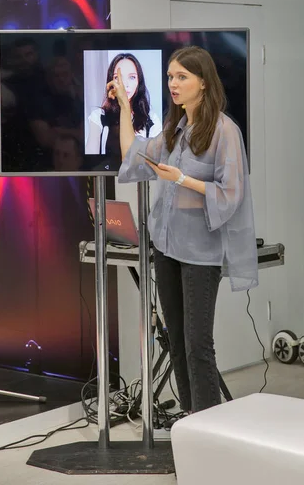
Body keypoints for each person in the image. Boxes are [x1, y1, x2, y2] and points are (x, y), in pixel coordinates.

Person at [113, 46, 258, 415]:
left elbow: (231, 193)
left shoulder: (226, 131)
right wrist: (127, 110)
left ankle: (210, 430)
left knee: (198, 345)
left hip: (200, 254)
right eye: (170, 77)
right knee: (176, 341)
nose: (173, 84)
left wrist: (182, 178)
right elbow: (135, 155)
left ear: (204, 83)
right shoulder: (175, 129)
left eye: (182, 77)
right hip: (165, 247)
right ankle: (193, 422)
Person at [85, 53, 162, 155]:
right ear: (111, 82)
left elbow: (156, 160)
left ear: (139, 81)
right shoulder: (99, 116)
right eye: (118, 77)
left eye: (132, 77)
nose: (125, 84)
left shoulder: (152, 119)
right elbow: (91, 157)